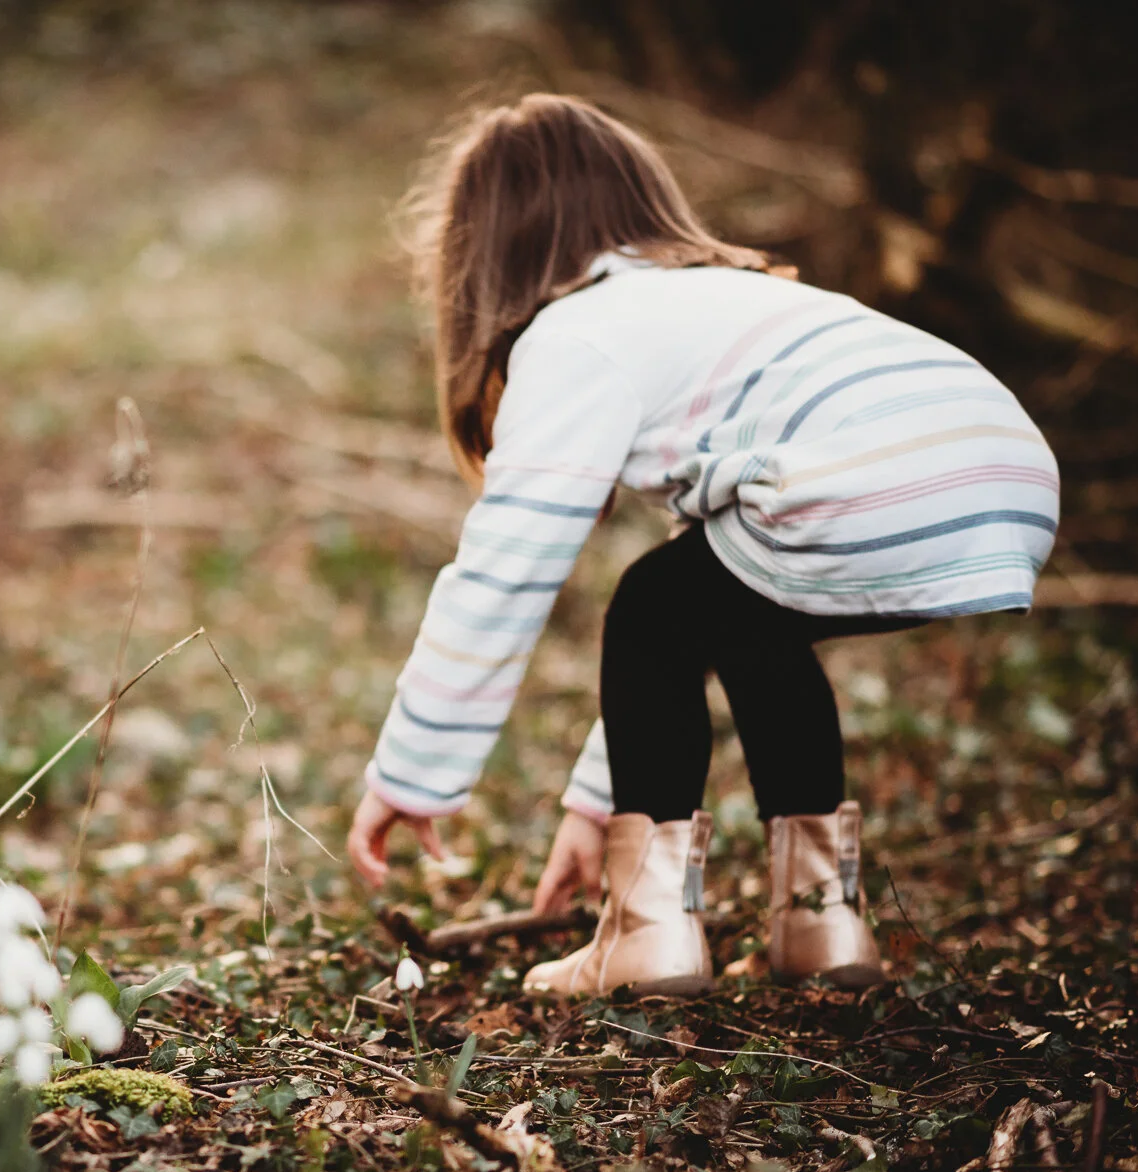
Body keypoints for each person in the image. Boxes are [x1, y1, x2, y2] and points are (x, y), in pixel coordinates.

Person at [346, 95, 1058, 997]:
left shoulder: (576, 335)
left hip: (879, 471)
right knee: (732, 614)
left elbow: (503, 569)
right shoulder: (729, 301)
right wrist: (599, 806)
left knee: (652, 604)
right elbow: (703, 610)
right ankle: (821, 924)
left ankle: (648, 935)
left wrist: (415, 772)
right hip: (1006, 468)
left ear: (482, 253)